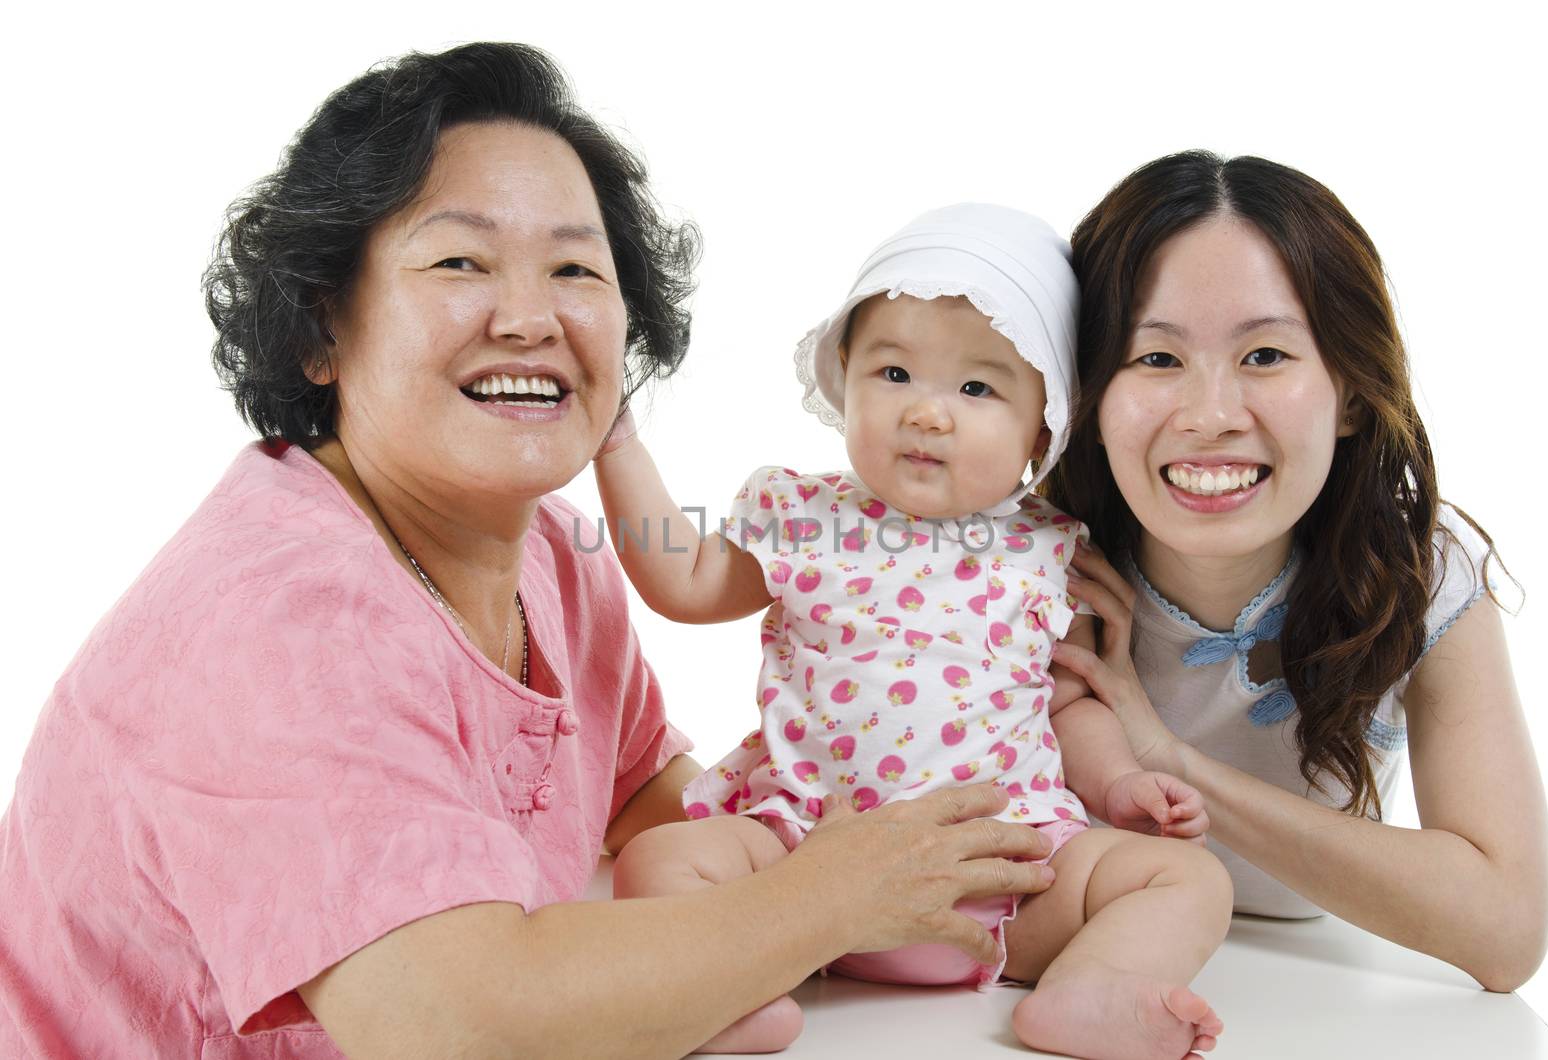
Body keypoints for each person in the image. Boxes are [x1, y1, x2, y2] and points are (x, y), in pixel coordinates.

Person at [0, 44, 1068, 1059]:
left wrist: (876, 817)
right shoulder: (280, 613)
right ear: (323, 327)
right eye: (461, 260)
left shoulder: (549, 550)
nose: (529, 317)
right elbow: (458, 1023)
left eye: (573, 269)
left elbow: (646, 792)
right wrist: (828, 896)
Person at [595, 204, 1233, 1058]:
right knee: (659, 859)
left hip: (1006, 874)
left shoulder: (1050, 552)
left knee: (1186, 877)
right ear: (844, 379)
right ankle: (722, 990)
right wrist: (616, 443)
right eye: (894, 374)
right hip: (802, 870)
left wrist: (1118, 787)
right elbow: (682, 579)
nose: (928, 413)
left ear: (1041, 427)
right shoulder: (801, 515)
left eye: (976, 389)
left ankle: (1093, 991)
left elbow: (1071, 706)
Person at [1045, 150, 1548, 992]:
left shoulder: (1420, 578)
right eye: (1156, 360)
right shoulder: (1026, 577)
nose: (1210, 417)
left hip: (1314, 996)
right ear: (1090, 399)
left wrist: (1168, 761)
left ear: (1350, 392)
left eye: (1267, 357)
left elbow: (1506, 928)